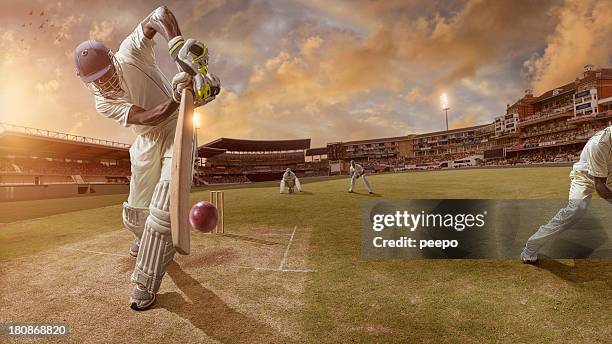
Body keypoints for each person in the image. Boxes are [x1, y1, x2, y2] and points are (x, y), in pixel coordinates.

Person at [74, 6, 220, 310]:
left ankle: (145, 279)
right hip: (147, 137)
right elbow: (144, 117)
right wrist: (176, 98)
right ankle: (146, 239)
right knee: (135, 215)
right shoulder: (102, 103)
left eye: (106, 74)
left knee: (163, 208)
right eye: (97, 81)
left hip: (177, 129)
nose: (105, 84)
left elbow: (159, 14)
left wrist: (176, 45)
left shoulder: (131, 52)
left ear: (114, 59)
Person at [521, 126, 612, 263]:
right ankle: (531, 247)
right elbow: (600, 186)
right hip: (585, 176)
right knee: (575, 210)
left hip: (609, 173)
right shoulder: (599, 143)